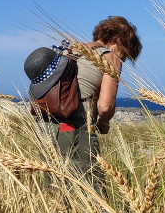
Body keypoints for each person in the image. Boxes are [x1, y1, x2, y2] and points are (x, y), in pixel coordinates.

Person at [25, 16, 142, 194]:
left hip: (45, 129)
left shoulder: (70, 51)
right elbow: (105, 106)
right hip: (76, 128)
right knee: (92, 194)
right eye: (124, 53)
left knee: (57, 194)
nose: (122, 59)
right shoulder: (110, 57)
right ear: (117, 39)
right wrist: (103, 124)